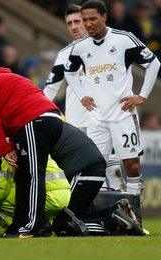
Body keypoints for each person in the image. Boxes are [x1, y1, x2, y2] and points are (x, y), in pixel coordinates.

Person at [0, 61, 107, 237]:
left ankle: (34, 224)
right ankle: (20, 224)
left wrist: (4, 149)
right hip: (47, 119)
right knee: (24, 175)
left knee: (32, 175)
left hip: (33, 121)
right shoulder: (7, 77)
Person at [64, 0, 160, 195]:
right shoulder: (81, 47)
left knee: (132, 166)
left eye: (93, 18)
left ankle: (134, 213)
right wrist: (82, 95)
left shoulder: (124, 39)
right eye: (85, 20)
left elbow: (154, 63)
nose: (88, 24)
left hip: (122, 114)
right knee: (93, 167)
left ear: (104, 17)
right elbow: (69, 71)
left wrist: (141, 96)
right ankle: (102, 214)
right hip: (97, 118)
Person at [44, 5, 125, 191]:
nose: (74, 27)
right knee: (89, 173)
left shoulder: (109, 47)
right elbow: (49, 90)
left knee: (112, 170)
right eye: (70, 23)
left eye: (77, 21)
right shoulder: (65, 55)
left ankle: (123, 207)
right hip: (77, 124)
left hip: (104, 119)